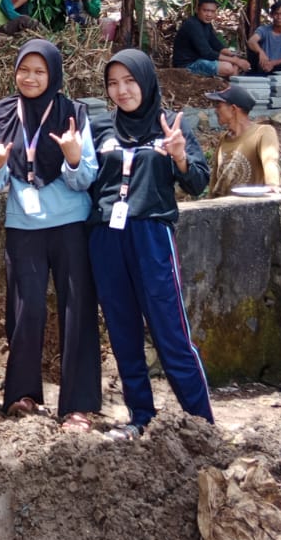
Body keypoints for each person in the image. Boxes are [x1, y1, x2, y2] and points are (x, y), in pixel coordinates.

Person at [89, 50, 213, 439]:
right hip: (106, 237)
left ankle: (201, 425)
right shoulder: (101, 129)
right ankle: (140, 416)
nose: (121, 90)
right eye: (113, 83)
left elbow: (198, 182)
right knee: (123, 333)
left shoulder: (171, 125)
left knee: (170, 333)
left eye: (130, 81)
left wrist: (178, 156)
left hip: (151, 236)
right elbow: (88, 182)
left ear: (146, 80)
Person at [0, 40, 101, 430]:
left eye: (40, 71)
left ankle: (77, 406)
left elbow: (87, 177)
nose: (30, 78)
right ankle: (22, 394)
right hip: (24, 227)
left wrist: (71, 157)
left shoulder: (73, 113)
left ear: (53, 75)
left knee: (77, 311)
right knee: (25, 311)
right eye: (24, 70)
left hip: (71, 225)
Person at [205, 85, 281, 196]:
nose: (215, 111)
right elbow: (215, 180)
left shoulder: (263, 132)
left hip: (250, 208)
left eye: (219, 106)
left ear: (233, 109)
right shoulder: (224, 138)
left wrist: (273, 184)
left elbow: (270, 160)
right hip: (224, 208)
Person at [171, 0, 250, 78]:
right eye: (205, 10)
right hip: (187, 65)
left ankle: (231, 87)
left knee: (234, 63)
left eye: (212, 11)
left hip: (200, 60)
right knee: (228, 68)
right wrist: (236, 61)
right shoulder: (192, 25)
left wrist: (232, 55)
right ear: (197, 10)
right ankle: (231, 86)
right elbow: (207, 53)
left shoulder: (207, 24)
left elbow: (216, 44)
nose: (209, 14)